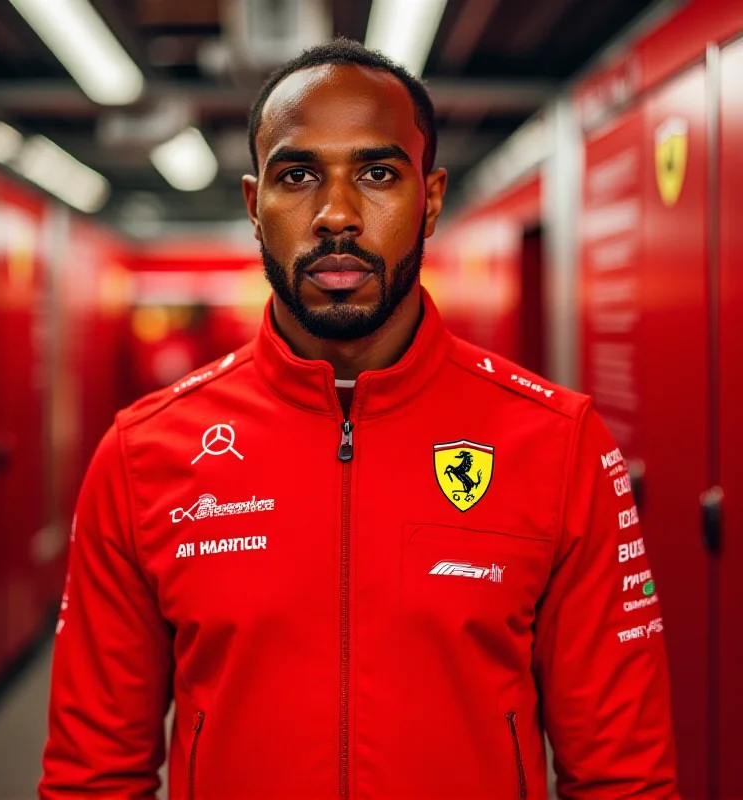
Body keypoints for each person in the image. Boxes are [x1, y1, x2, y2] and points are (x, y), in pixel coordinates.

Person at [40, 38, 680, 800]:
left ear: (432, 199)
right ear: (254, 206)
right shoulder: (143, 454)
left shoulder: (560, 444)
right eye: (298, 175)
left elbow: (623, 778)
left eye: (378, 173)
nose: (337, 214)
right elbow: (93, 778)